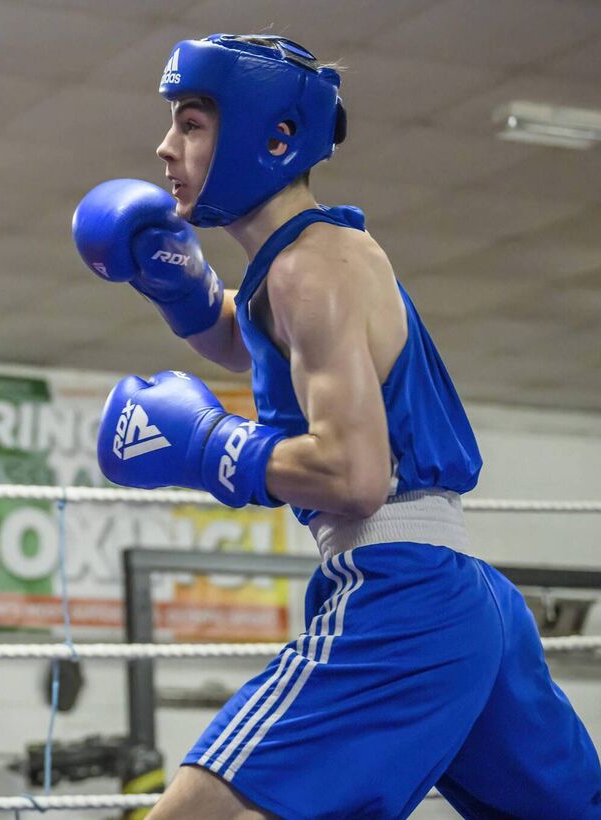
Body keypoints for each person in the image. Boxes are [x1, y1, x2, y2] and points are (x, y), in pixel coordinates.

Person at [74, 35, 601, 819]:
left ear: (270, 137)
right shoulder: (306, 262)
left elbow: (355, 476)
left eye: (191, 124)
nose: (165, 147)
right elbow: (268, 348)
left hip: (402, 590)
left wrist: (213, 446)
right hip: (465, 594)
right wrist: (181, 292)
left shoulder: (308, 269)